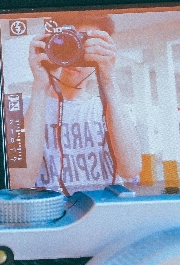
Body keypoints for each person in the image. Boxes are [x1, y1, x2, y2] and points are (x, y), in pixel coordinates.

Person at [8, 13, 142, 194]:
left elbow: (131, 169)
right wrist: (39, 86)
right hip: (48, 215)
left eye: (87, 44)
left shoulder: (111, 108)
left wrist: (109, 79)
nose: (76, 51)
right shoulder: (21, 109)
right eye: (70, 40)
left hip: (102, 215)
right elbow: (20, 182)